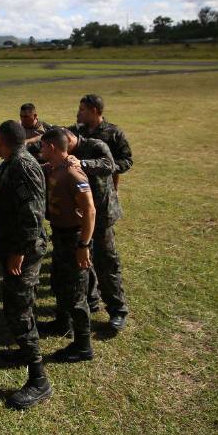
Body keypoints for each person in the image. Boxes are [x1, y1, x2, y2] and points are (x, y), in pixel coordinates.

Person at [0, 120, 52, 410]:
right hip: (15, 247)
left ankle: (38, 380)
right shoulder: (13, 161)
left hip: (25, 252)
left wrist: (19, 251)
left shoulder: (22, 167)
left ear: (4, 141)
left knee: (19, 312)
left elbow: (33, 214)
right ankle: (24, 352)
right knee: (15, 306)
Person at [40, 128, 96, 362]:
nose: (40, 150)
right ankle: (63, 323)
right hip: (61, 236)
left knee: (76, 291)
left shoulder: (73, 173)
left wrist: (83, 244)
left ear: (51, 147)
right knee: (61, 281)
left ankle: (83, 345)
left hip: (74, 239)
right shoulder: (56, 167)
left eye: (43, 146)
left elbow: (90, 210)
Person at [66, 129, 129, 332]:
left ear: (69, 140)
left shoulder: (95, 145)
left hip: (102, 215)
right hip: (82, 216)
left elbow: (109, 165)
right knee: (84, 259)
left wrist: (82, 163)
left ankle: (117, 310)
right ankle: (91, 300)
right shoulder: (69, 143)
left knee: (106, 262)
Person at [70, 94, 133, 190]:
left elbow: (126, 160)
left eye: (82, 110)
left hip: (103, 191)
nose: (78, 113)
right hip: (80, 187)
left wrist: (107, 167)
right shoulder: (76, 131)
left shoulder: (113, 133)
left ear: (93, 111)